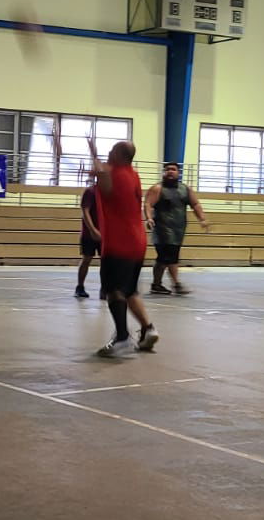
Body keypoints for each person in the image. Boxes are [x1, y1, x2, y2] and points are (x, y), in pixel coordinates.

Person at [88, 138, 157, 357]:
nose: (108, 153)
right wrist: (96, 161)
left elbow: (105, 181)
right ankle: (148, 329)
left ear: (117, 155)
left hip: (119, 242)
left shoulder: (114, 175)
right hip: (138, 242)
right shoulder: (133, 174)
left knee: (113, 290)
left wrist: (95, 158)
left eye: (111, 151)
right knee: (129, 290)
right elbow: (102, 175)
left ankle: (122, 338)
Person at [146, 162, 208, 295]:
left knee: (166, 258)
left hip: (178, 230)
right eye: (167, 169)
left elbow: (195, 204)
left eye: (173, 169)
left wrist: (202, 219)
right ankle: (176, 284)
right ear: (163, 172)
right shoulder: (157, 189)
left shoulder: (185, 189)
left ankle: (156, 285)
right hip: (161, 229)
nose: (170, 171)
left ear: (178, 173)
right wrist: (149, 218)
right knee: (168, 257)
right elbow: (148, 205)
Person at [75, 176, 101, 299]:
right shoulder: (91, 191)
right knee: (87, 259)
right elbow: (85, 212)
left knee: (106, 262)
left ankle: (106, 288)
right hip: (89, 233)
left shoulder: (110, 193)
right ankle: (80, 286)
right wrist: (92, 230)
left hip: (105, 233)